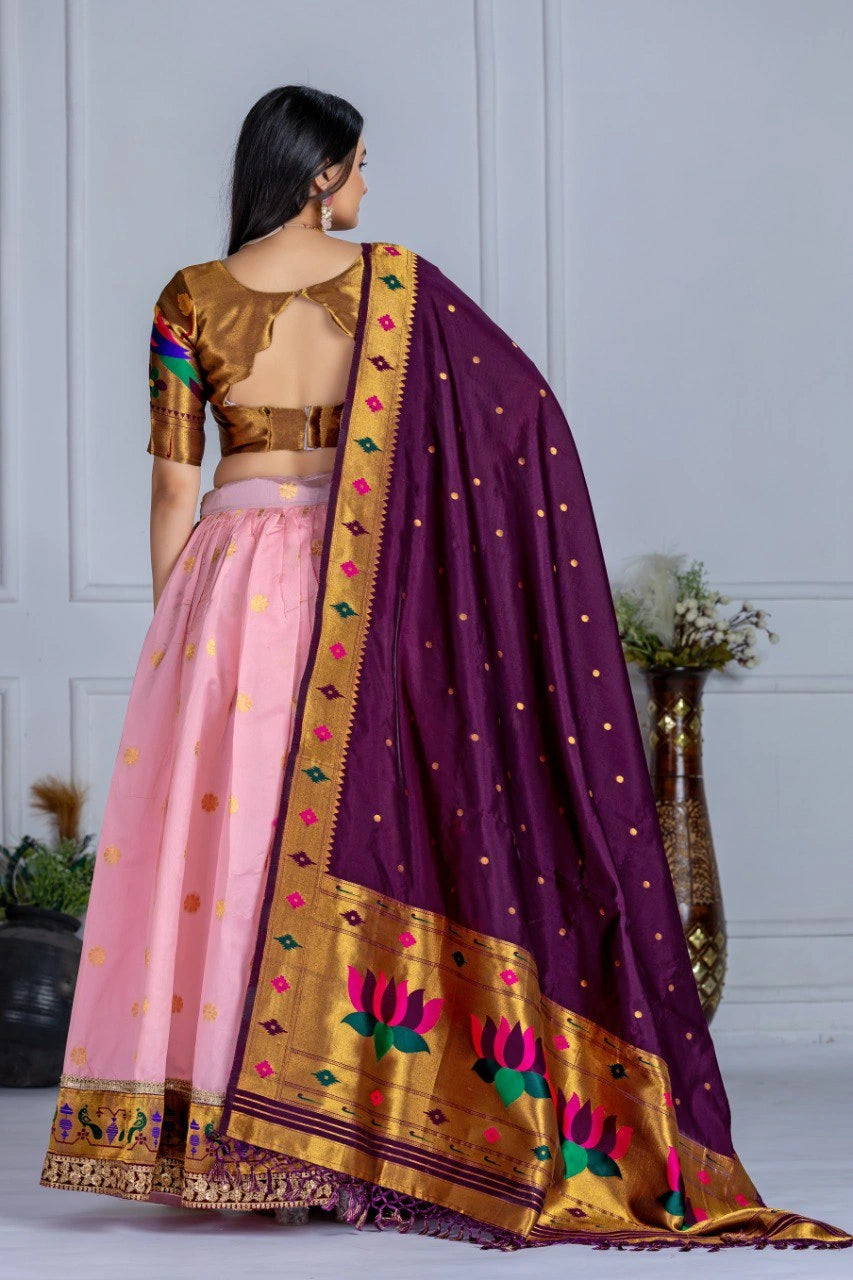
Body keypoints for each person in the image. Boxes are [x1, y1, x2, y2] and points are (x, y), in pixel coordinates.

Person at [39, 85, 851, 1253]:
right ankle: (334, 1135)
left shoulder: (189, 296)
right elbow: (523, 414)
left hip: (228, 587)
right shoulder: (397, 289)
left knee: (228, 846)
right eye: (359, 164)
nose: (368, 186)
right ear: (319, 172)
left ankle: (218, 1136)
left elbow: (175, 485)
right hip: (361, 584)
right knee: (338, 839)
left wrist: (180, 624)